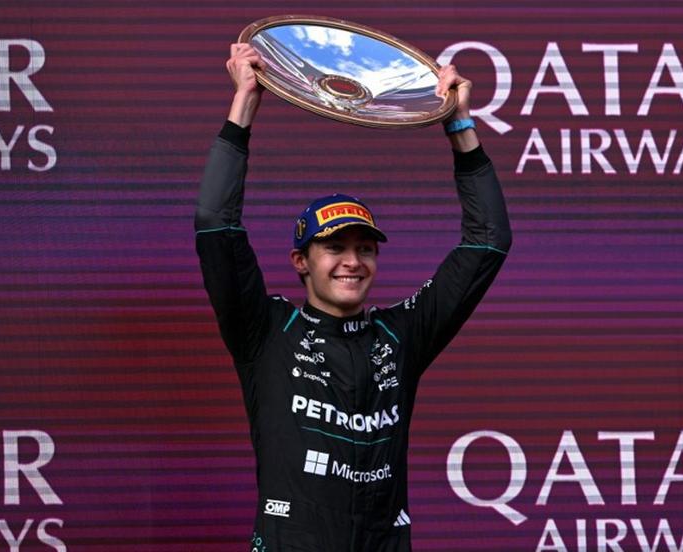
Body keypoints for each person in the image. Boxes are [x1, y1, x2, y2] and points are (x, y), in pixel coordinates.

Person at [195, 43, 511, 552]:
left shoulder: (401, 334)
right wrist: (244, 105)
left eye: (365, 248)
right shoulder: (265, 331)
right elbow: (216, 221)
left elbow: (488, 240)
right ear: (301, 262)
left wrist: (459, 125)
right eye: (334, 248)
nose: (352, 261)